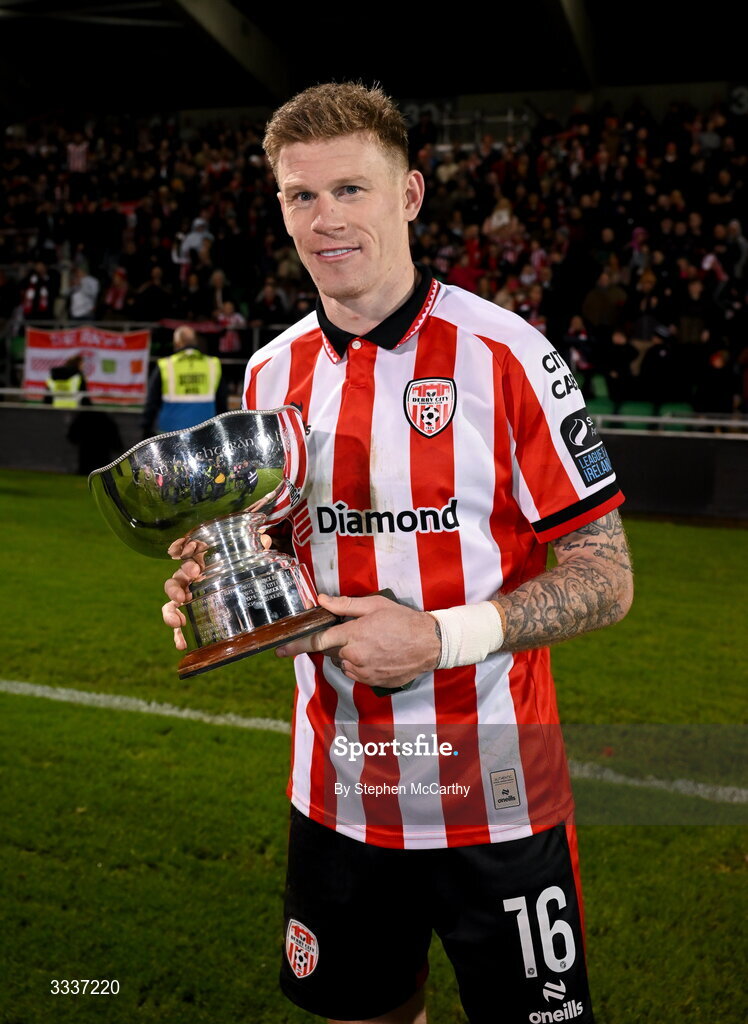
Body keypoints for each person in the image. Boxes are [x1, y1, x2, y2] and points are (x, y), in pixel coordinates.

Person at [162, 83, 633, 1024]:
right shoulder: (270, 372)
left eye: (352, 189)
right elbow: (278, 546)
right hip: (337, 798)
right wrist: (222, 581)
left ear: (410, 194)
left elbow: (607, 576)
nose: (326, 220)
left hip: (497, 797)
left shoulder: (508, 355)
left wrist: (440, 637)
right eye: (302, 196)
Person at [141, 325, 226, 437]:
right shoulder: (213, 364)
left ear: (177, 343)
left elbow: (152, 401)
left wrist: (146, 428)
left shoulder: (165, 365)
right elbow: (222, 401)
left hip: (170, 432)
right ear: (195, 342)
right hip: (205, 432)